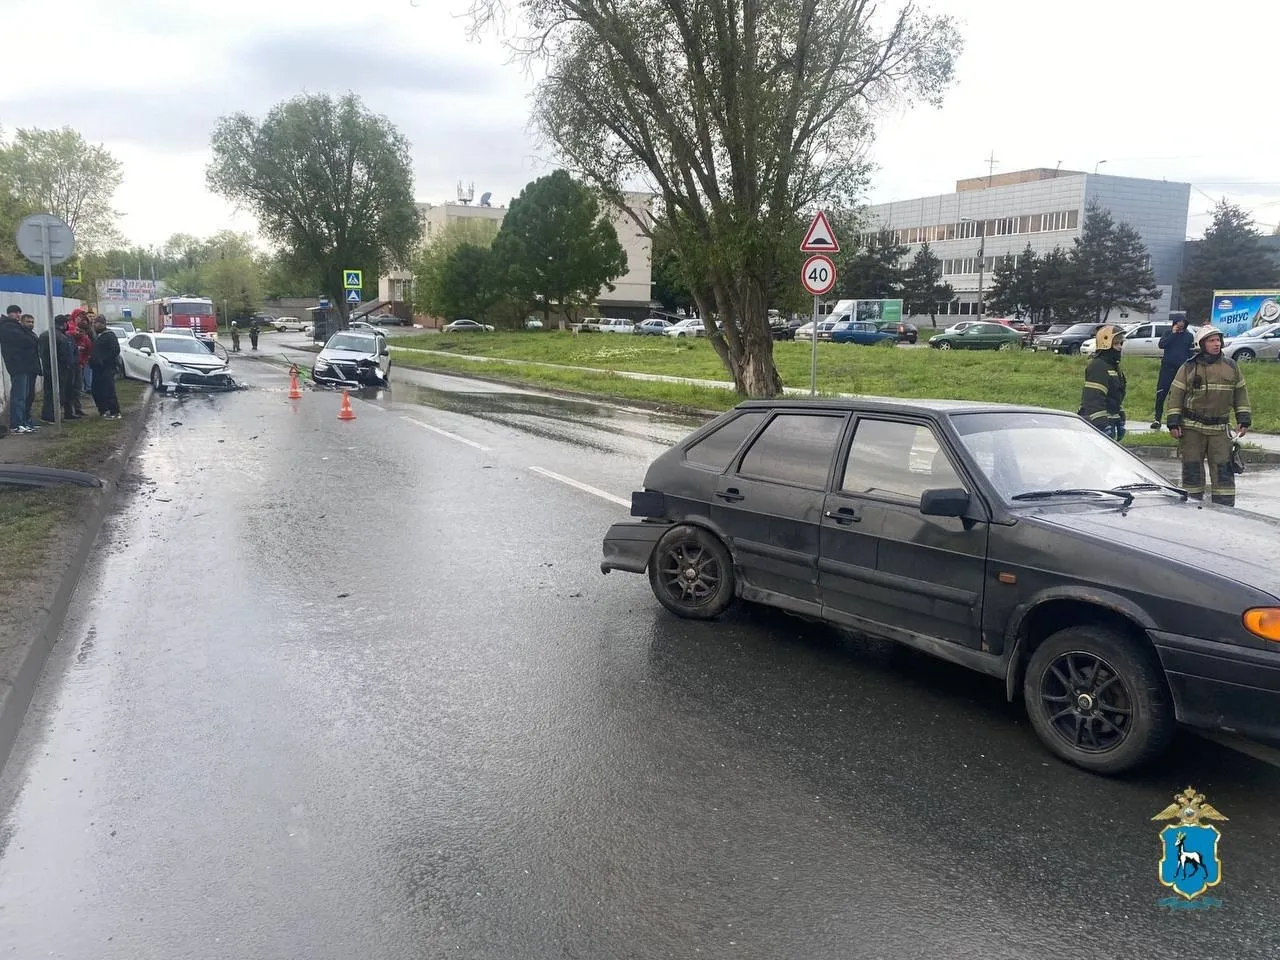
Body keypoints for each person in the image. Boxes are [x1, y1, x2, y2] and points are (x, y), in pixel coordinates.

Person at [1166, 325, 1251, 506]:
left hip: (1219, 430)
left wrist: (1243, 419)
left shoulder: (1231, 367)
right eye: (1211, 341)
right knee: (1192, 471)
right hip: (1192, 429)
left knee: (1223, 472)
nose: (1216, 344)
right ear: (1201, 344)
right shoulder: (1188, 367)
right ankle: (1191, 508)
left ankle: (1225, 509)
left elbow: (1240, 394)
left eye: (1218, 340)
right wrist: (1173, 422)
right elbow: (1176, 395)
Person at [1078, 324, 1127, 439]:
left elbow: (1114, 397)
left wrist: (1120, 418)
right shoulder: (1098, 366)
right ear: (1106, 344)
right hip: (1096, 427)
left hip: (1109, 424)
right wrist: (1102, 425)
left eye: (1121, 343)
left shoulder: (1113, 366)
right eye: (1116, 343)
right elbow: (1093, 399)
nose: (1120, 347)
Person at [0, 305, 40, 433]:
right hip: (18, 366)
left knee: (26, 396)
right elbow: (25, 341)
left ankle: (23, 421)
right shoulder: (7, 327)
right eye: (15, 313)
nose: (18, 315)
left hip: (25, 365)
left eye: (19, 313)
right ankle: (16, 424)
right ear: (9, 314)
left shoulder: (15, 326)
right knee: (19, 396)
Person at [1152, 315, 1194, 429]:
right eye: (1179, 322)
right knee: (1161, 393)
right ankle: (1157, 418)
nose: (1181, 324)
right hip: (1167, 368)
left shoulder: (1189, 336)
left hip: (1181, 370)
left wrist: (1191, 366)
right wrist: (1173, 333)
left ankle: (1176, 420)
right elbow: (1162, 345)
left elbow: (1191, 353)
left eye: (1183, 322)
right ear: (1174, 323)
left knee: (1179, 395)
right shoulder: (1168, 333)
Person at [88, 315, 122, 419]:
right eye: (94, 323)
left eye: (96, 323)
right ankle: (103, 409)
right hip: (97, 368)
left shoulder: (109, 335)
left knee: (108, 389)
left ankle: (115, 411)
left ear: (102, 324)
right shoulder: (97, 335)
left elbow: (115, 350)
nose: (94, 325)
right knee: (96, 389)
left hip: (107, 367)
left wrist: (104, 360)